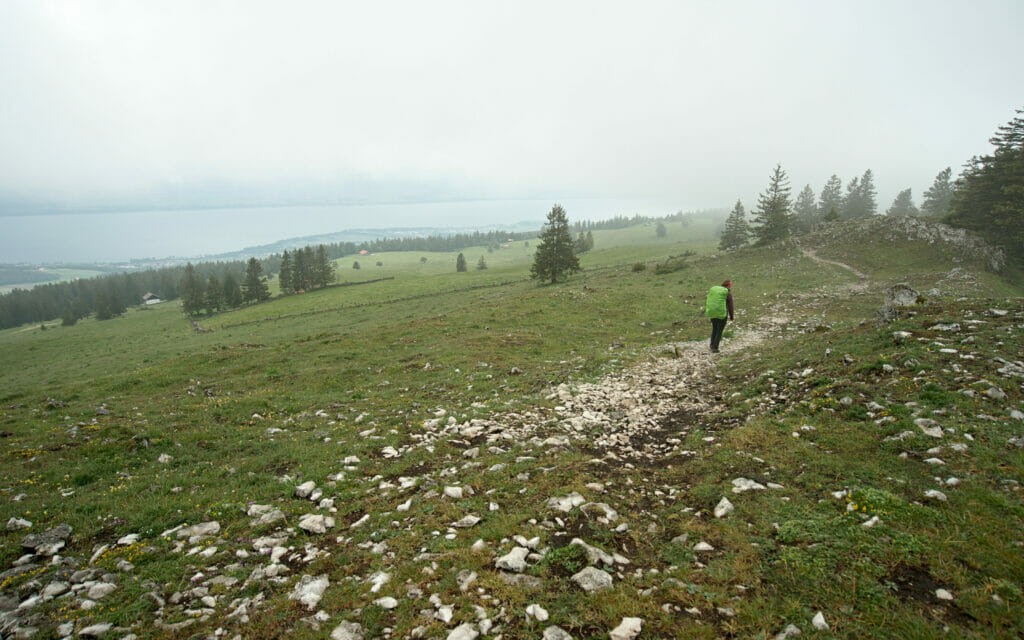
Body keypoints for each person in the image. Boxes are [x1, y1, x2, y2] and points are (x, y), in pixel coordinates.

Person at [705, 279, 734, 353]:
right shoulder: (727, 293)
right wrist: (731, 316)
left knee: (714, 329)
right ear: (729, 286)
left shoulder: (715, 292)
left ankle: (711, 345)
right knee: (719, 331)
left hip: (713, 314)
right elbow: (730, 306)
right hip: (722, 315)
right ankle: (715, 348)